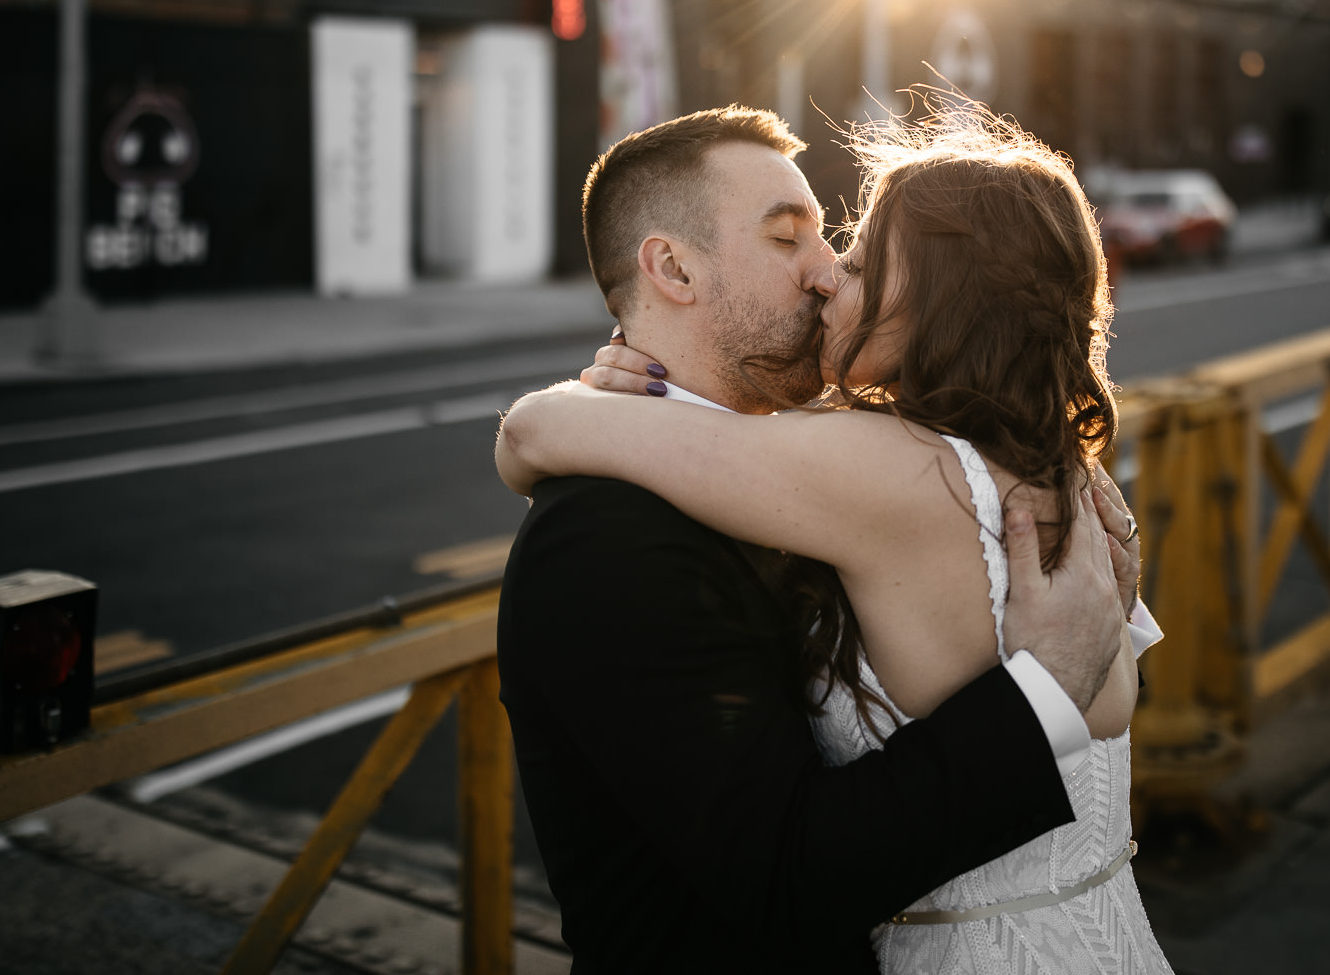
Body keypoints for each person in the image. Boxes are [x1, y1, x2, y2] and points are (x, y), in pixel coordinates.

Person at [497, 106, 1172, 973]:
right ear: (672, 267)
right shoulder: (602, 536)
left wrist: (538, 420)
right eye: (791, 239)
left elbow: (536, 435)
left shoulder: (857, 467)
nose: (825, 273)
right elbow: (777, 875)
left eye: (847, 253)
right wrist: (1049, 697)